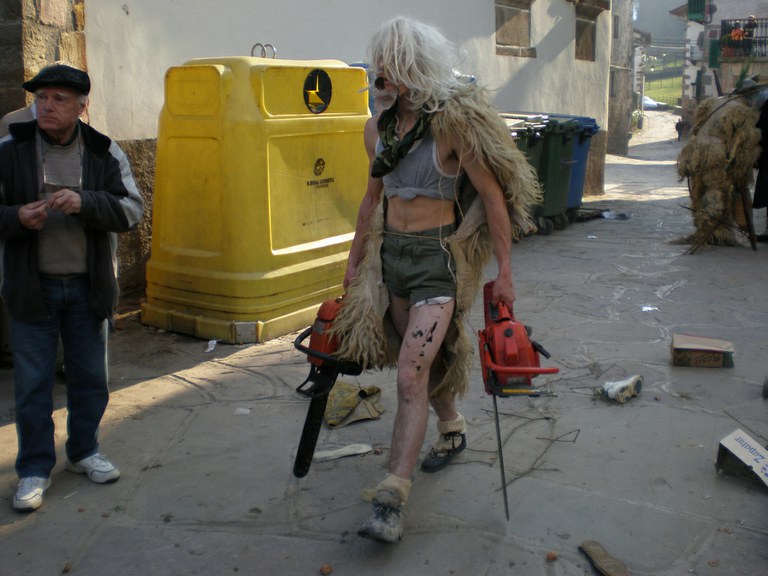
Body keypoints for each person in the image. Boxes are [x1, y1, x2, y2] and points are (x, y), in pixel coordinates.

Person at [331, 17, 541, 543]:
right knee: (420, 364)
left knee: (408, 375)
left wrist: (506, 273)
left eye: (391, 65)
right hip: (392, 260)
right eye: (379, 63)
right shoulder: (376, 130)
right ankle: (452, 427)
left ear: (415, 68)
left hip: (437, 264)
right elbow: (372, 199)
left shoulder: (451, 127)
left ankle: (391, 499)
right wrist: (354, 262)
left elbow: (493, 198)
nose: (380, 74)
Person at [0, 64, 144, 512]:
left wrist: (86, 202)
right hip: (32, 287)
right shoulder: (9, 149)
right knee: (33, 385)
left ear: (82, 107)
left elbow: (132, 211)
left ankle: (84, 452)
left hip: (88, 287)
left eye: (58, 99)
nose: (46, 106)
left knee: (91, 380)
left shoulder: (103, 151)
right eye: (41, 98)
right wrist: (16, 218)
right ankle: (34, 468)